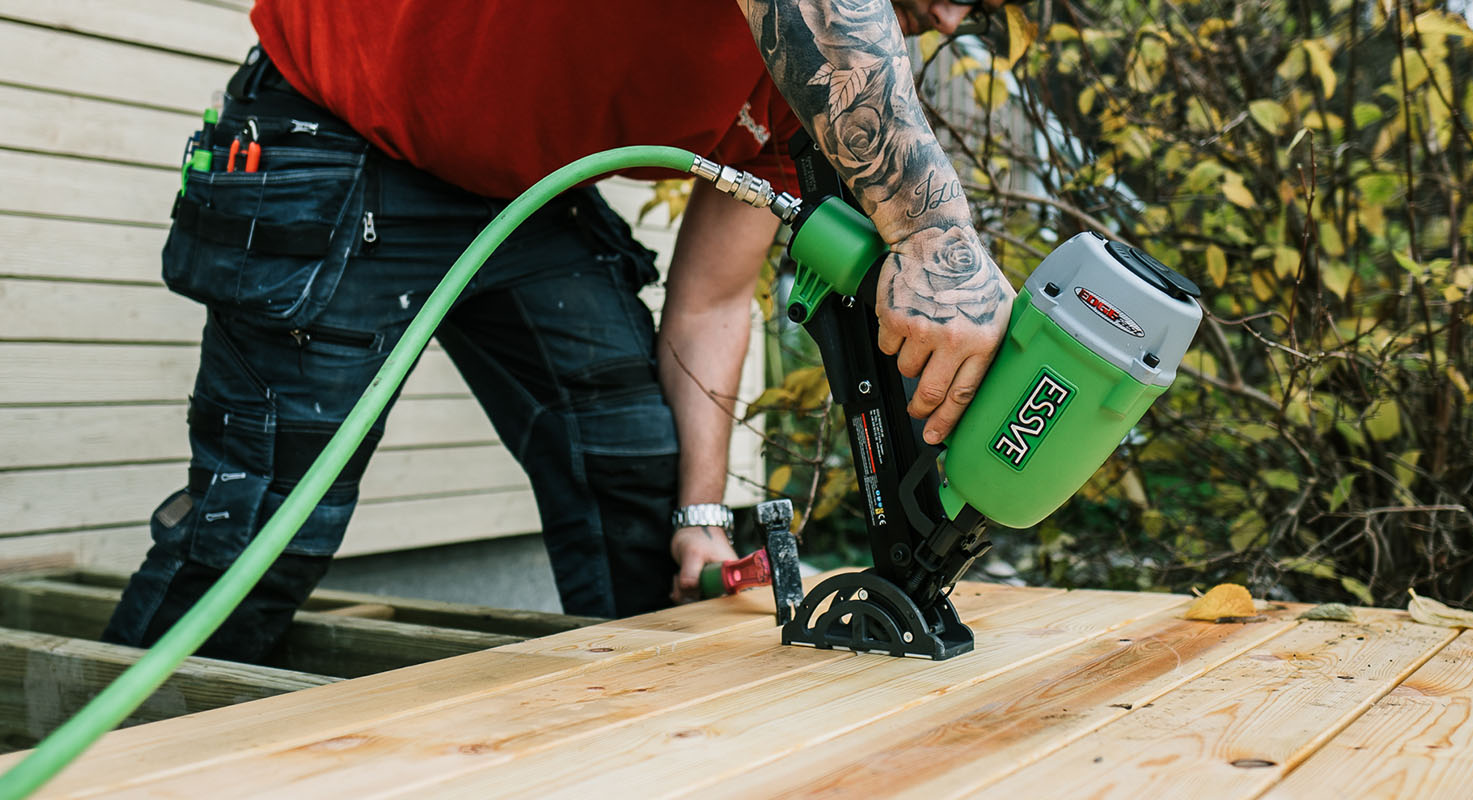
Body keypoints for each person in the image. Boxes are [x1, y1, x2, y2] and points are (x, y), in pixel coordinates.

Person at [102, 0, 1013, 663]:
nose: (947, 11)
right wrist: (934, 236)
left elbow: (712, 302)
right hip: (339, 121)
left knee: (635, 495)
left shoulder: (792, 97)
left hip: (518, 193)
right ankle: (113, 764)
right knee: (261, 528)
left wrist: (701, 518)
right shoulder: (823, 39)